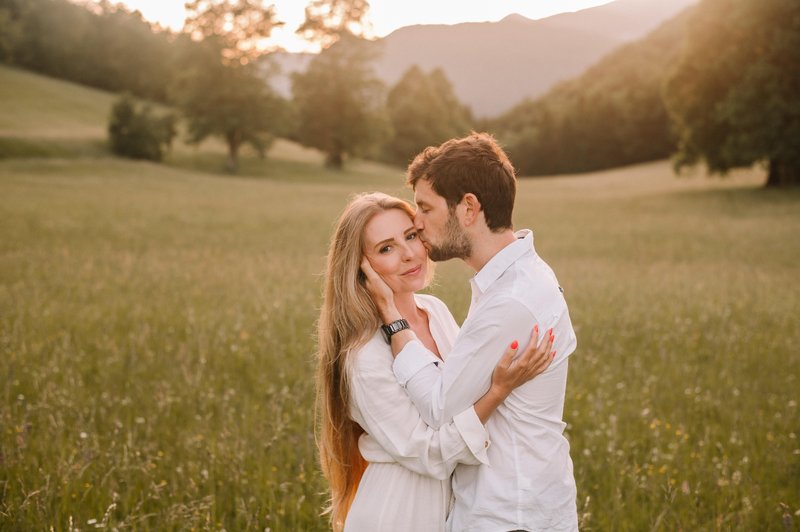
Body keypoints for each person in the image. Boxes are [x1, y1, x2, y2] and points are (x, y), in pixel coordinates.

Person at [361, 132, 579, 531]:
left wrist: (394, 322)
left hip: (509, 513)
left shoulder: (511, 301)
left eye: (425, 208)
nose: (417, 222)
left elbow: (440, 407)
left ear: (468, 208)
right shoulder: (512, 280)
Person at [316, 192, 556, 531]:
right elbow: (432, 454)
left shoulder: (436, 312)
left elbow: (456, 401)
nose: (409, 254)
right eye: (386, 248)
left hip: (449, 509)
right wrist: (498, 391)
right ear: (361, 268)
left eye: (410, 236)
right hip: (398, 513)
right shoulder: (364, 355)